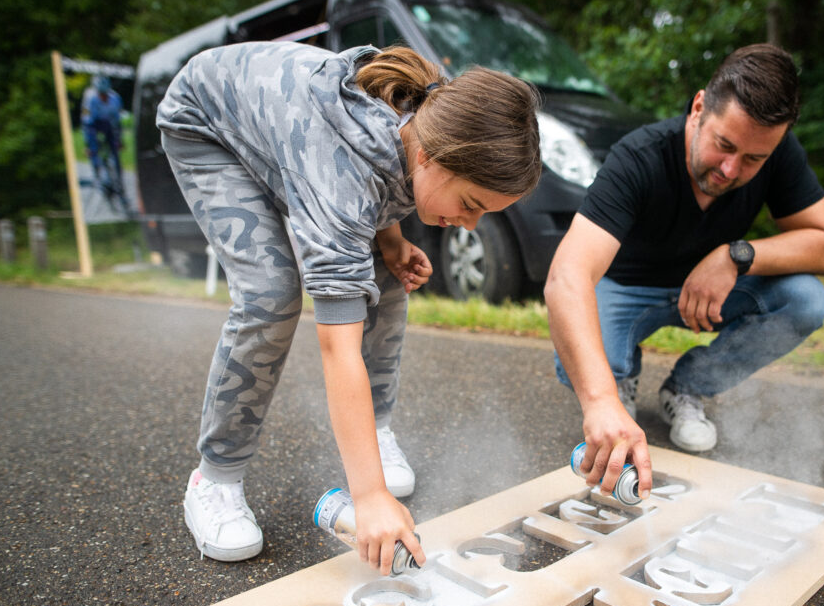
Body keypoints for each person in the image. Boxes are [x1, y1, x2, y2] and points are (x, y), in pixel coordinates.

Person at [157, 42, 541, 573]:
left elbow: (383, 173)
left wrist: (390, 238)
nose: (471, 225)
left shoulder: (434, 118)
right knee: (271, 294)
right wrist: (369, 498)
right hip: (209, 126)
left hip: (294, 138)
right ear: (431, 156)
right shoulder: (340, 175)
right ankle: (215, 478)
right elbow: (339, 347)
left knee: (386, 273)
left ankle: (375, 432)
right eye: (471, 205)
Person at [544, 43, 824, 499]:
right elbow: (567, 275)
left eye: (753, 160)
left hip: (718, 290)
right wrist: (600, 400)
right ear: (699, 107)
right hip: (627, 288)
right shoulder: (638, 157)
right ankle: (618, 386)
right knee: (582, 357)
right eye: (724, 145)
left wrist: (735, 256)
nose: (730, 169)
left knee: (805, 299)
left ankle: (688, 389)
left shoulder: (775, 152)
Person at [81, 75, 126, 202]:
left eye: (105, 94)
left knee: (115, 150)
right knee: (94, 148)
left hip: (109, 123)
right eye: (101, 94)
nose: (103, 97)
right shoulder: (90, 98)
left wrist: (119, 140)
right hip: (93, 124)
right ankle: (98, 172)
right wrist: (88, 145)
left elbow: (118, 121)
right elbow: (87, 121)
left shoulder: (115, 98)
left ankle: (118, 181)